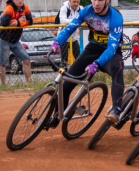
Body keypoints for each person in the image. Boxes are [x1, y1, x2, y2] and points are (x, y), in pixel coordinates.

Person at [46, 0, 125, 128]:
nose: (96, 3)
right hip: (92, 49)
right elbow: (69, 29)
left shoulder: (115, 17)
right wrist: (57, 43)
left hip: (111, 53)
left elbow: (112, 48)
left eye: (100, 0)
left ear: (107, 1)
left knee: (118, 68)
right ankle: (57, 116)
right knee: (66, 84)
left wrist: (97, 64)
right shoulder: (87, 11)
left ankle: (116, 110)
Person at [0, 0, 32, 85]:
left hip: (16, 41)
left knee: (26, 59)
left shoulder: (25, 7)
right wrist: (19, 21)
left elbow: (30, 21)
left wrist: (18, 23)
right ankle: (4, 84)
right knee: (3, 64)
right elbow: (4, 22)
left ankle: (28, 82)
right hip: (4, 40)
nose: (20, 1)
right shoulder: (9, 8)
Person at [58, 0, 83, 66]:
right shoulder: (64, 8)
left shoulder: (80, 8)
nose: (76, 4)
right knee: (64, 59)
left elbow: (84, 18)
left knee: (78, 57)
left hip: (74, 37)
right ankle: (63, 73)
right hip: (64, 37)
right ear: (70, 1)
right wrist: (76, 21)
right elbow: (62, 20)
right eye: (74, 2)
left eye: (77, 2)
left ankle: (79, 73)